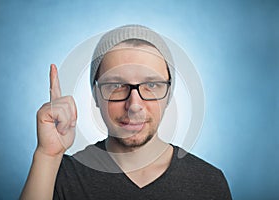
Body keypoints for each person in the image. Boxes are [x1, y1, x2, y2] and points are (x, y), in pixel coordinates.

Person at [20, 25, 232, 200]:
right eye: (115, 85)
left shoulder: (208, 182)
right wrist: (47, 155)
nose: (134, 105)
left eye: (151, 85)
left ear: (168, 94)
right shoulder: (59, 175)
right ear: (96, 95)